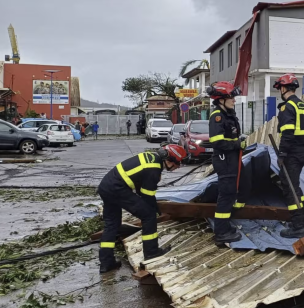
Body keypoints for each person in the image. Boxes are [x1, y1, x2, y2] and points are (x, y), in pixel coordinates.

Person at [97, 144, 187, 273]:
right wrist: (155, 209)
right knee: (149, 216)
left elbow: (140, 188)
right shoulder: (154, 168)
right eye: (178, 164)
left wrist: (152, 204)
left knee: (112, 224)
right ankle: (151, 252)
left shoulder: (151, 158)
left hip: (106, 187)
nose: (177, 167)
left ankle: (106, 263)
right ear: (169, 160)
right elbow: (146, 195)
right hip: (118, 189)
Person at [274, 73, 304, 238]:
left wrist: (282, 153)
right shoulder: (303, 106)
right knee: (295, 185)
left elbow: (288, 133)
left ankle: (298, 227)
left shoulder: (287, 107)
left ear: (283, 88)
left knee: (289, 187)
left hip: (291, 153)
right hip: (302, 152)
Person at [207, 81, 247, 244]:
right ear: (221, 99)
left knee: (233, 192)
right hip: (225, 161)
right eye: (231, 97)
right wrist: (237, 144)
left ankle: (225, 226)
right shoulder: (217, 116)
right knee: (226, 194)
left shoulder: (228, 114)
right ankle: (221, 233)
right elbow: (217, 142)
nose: (234, 100)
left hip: (232, 159)